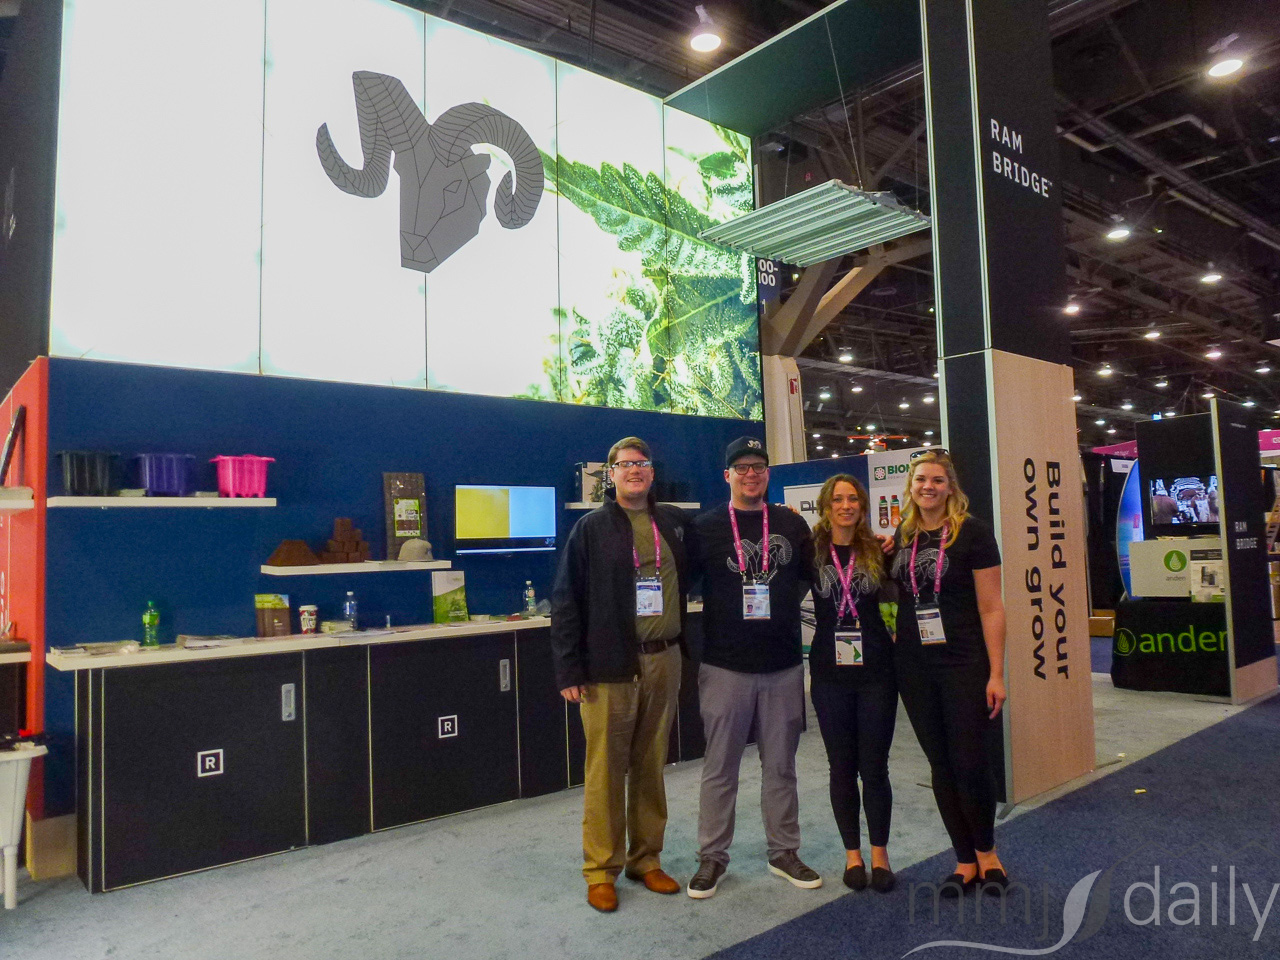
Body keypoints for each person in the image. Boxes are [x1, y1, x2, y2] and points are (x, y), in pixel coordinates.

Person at [550, 437, 692, 913]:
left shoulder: (671, 522)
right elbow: (566, 600)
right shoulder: (590, 528)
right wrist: (569, 669)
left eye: (642, 463)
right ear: (610, 475)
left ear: (652, 472)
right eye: (625, 464)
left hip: (663, 659)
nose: (635, 470)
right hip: (608, 665)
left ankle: (645, 859)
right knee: (606, 770)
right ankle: (600, 869)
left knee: (651, 765)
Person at [685, 436, 819, 899]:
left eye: (758, 466)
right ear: (727, 475)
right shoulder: (705, 527)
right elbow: (680, 581)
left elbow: (812, 573)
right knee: (720, 768)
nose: (750, 474)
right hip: (725, 666)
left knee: (781, 767)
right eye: (741, 467)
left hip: (783, 665)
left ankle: (784, 852)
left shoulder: (790, 523)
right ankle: (712, 857)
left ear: (767, 474)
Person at [888, 449, 1009, 896]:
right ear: (911, 486)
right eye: (921, 479)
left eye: (937, 480)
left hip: (963, 660)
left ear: (950, 487)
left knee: (971, 761)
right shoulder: (904, 534)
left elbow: (992, 607)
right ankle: (963, 859)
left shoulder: (973, 533)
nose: (928, 487)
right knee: (940, 763)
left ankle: (988, 854)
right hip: (914, 666)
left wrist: (996, 673)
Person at [808, 474, 898, 893]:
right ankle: (853, 856)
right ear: (826, 507)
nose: (845, 506)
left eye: (853, 499)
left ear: (862, 506)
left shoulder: (879, 550)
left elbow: (901, 599)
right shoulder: (811, 552)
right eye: (837, 499)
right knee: (841, 767)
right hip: (829, 674)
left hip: (877, 671)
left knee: (875, 767)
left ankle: (880, 855)